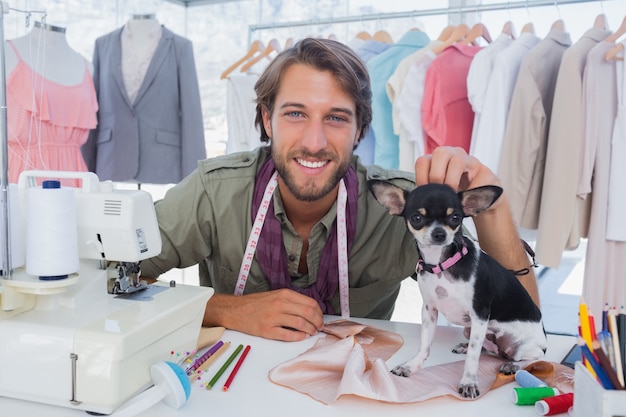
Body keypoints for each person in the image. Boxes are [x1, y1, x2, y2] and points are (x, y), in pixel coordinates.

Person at [140, 38, 538, 342]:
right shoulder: (214, 193)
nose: (314, 141)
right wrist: (226, 310)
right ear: (267, 117)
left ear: (359, 130)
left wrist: (492, 207)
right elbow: (109, 280)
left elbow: (521, 326)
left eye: (336, 118)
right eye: (295, 114)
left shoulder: (403, 209)